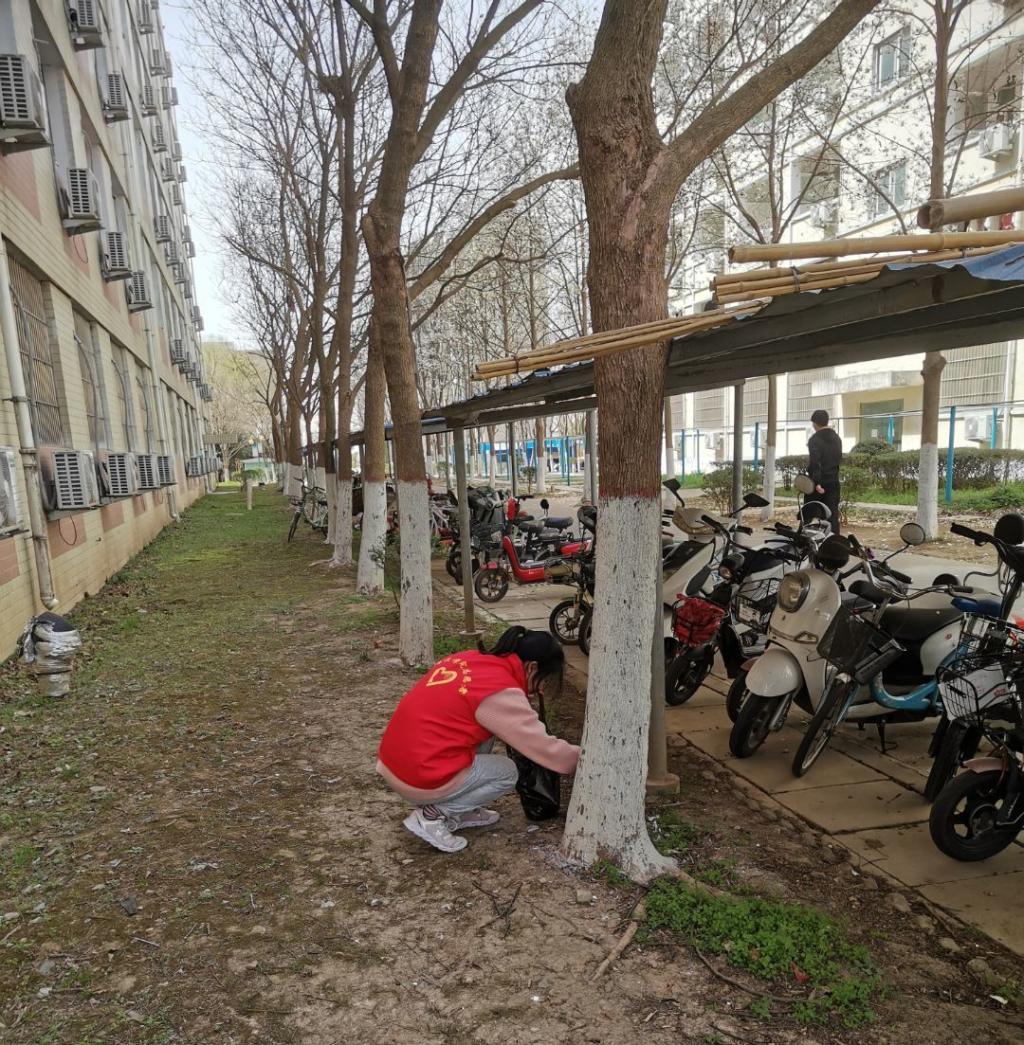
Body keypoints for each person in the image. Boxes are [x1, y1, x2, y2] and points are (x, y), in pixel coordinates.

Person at [376, 627, 580, 853]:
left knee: (482, 732)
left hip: (394, 763)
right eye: (545, 681)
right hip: (418, 777)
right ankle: (432, 815)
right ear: (532, 667)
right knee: (507, 772)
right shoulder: (500, 691)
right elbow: (549, 752)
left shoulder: (469, 659)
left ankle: (462, 810)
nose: (541, 689)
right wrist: (587, 757)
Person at [807, 409, 843, 534]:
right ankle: (834, 541)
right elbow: (838, 459)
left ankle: (811, 541)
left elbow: (815, 463)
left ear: (815, 423)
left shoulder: (814, 439)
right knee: (832, 515)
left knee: (809, 514)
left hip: (819, 484)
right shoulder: (837, 438)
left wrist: (817, 483)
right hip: (834, 482)